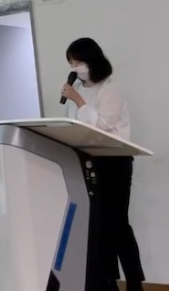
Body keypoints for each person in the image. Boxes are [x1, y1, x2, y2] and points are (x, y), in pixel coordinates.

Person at [60, 37, 144, 291]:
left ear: (92, 60)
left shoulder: (110, 88)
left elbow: (104, 125)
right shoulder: (78, 88)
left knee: (117, 222)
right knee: (96, 223)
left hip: (114, 160)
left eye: (78, 62)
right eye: (71, 63)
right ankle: (106, 280)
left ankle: (134, 281)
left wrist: (78, 100)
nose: (75, 68)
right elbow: (74, 125)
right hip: (87, 159)